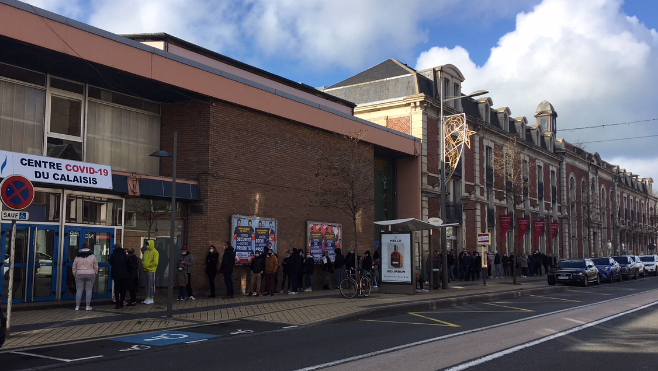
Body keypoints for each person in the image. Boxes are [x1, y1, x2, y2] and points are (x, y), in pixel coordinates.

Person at [72, 242, 98, 311]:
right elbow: (96, 266)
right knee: (89, 290)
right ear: (88, 248)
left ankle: (77, 306)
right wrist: (95, 272)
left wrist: (75, 273)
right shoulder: (92, 256)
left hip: (79, 273)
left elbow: (74, 266)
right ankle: (87, 306)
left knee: (79, 290)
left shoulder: (77, 256)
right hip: (90, 273)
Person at [109, 243, 129, 309]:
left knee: (117, 289)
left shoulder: (113, 255)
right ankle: (122, 303)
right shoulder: (124, 255)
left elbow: (110, 262)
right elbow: (127, 263)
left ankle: (117, 304)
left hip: (116, 274)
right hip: (124, 274)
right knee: (123, 289)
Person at [142, 240, 159, 305]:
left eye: (148, 244)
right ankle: (147, 297)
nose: (147, 246)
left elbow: (155, 262)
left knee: (151, 284)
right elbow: (143, 259)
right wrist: (144, 265)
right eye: (146, 244)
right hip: (145, 270)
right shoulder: (146, 252)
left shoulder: (155, 252)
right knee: (146, 285)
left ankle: (151, 298)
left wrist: (148, 265)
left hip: (151, 270)